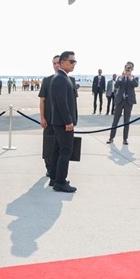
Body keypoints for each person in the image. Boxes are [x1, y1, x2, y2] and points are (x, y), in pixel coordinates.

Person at [45, 51, 80, 192]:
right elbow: (62, 103)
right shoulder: (60, 78)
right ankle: (60, 182)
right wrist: (68, 121)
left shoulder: (61, 77)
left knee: (57, 150)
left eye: (74, 62)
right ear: (63, 62)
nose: (73, 64)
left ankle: (55, 178)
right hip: (63, 123)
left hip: (59, 122)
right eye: (72, 62)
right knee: (66, 151)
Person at [38, 55, 60, 180]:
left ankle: (58, 170)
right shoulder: (47, 80)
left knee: (62, 147)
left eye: (58, 63)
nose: (56, 65)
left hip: (63, 121)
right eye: (54, 63)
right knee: (48, 145)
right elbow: (42, 101)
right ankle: (49, 169)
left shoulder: (70, 80)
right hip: (49, 120)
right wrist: (42, 118)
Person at [108, 61, 138, 145]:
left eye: (130, 67)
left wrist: (129, 77)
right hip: (120, 101)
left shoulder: (134, 77)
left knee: (126, 121)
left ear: (132, 69)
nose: (128, 69)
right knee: (115, 120)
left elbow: (135, 85)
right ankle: (111, 137)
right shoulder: (120, 77)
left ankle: (125, 139)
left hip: (129, 101)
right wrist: (122, 77)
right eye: (127, 67)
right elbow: (116, 85)